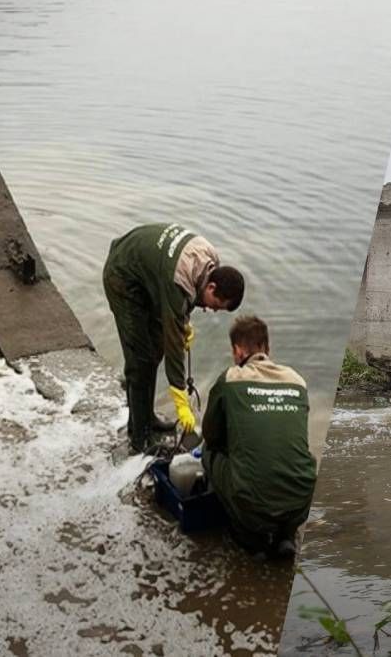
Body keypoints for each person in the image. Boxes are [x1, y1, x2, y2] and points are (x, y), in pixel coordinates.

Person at [102, 223, 244, 453]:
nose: (213, 311)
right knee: (140, 360)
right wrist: (180, 400)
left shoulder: (210, 260)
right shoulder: (181, 279)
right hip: (123, 277)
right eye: (216, 305)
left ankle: (147, 417)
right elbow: (174, 345)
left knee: (155, 351)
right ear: (212, 286)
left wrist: (183, 324)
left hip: (151, 275)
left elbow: (180, 305)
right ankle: (138, 438)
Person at [201, 316, 317, 558]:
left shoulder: (231, 378)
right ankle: (286, 535)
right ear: (267, 348)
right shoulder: (297, 381)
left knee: (208, 453)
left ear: (238, 350)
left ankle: (252, 540)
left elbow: (211, 436)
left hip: (252, 505)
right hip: (301, 500)